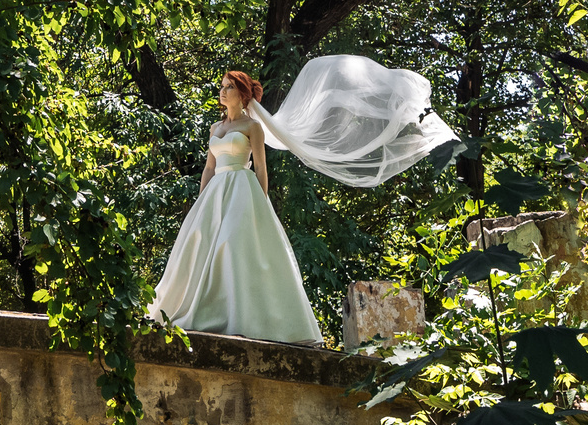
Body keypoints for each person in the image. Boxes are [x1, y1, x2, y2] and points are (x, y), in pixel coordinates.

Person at [149, 57, 460, 346]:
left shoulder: (252, 126)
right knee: (200, 247)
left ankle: (243, 315)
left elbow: (260, 168)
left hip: (242, 190)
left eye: (229, 87)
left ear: (243, 95)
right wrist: (201, 201)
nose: (222, 91)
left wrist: (260, 205)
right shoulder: (216, 129)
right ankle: (202, 308)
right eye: (222, 86)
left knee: (233, 244)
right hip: (215, 192)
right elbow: (208, 167)